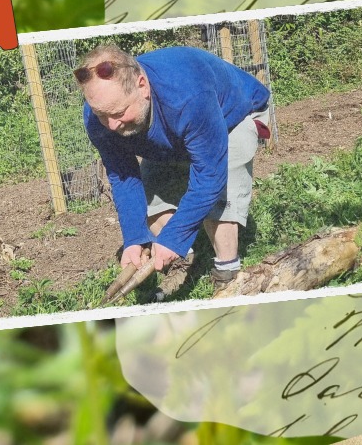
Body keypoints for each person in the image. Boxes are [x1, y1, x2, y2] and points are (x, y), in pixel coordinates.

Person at [76, 41, 270, 289]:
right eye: (102, 115)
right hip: (176, 131)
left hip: (233, 115)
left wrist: (175, 235)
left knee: (220, 191)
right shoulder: (98, 116)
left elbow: (209, 177)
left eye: (118, 113)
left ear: (142, 85)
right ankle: (182, 257)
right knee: (152, 193)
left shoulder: (188, 94)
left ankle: (228, 273)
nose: (111, 125)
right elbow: (124, 176)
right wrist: (134, 238)